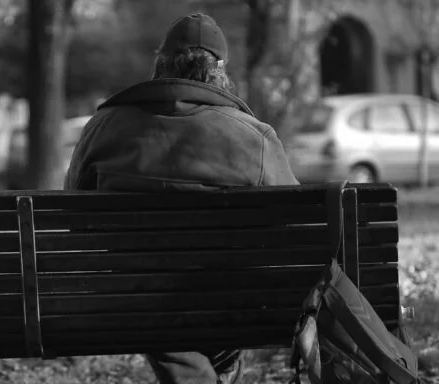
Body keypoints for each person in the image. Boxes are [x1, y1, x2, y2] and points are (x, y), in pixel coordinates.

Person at [63, 13, 299, 384]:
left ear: (160, 63)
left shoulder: (104, 128)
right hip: (232, 301)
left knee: (154, 301)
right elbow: (295, 227)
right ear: (220, 71)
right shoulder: (255, 137)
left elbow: (71, 215)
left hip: (134, 301)